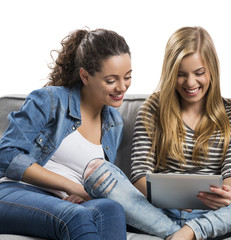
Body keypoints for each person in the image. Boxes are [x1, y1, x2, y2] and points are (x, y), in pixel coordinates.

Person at [82, 26, 231, 240]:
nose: (191, 83)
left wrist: (230, 194)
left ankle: (192, 232)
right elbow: (139, 174)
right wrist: (168, 199)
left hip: (214, 213)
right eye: (181, 75)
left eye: (199, 73)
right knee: (97, 171)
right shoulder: (153, 108)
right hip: (156, 212)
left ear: (211, 70)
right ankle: (184, 234)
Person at [0, 28, 132, 239]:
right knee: (76, 217)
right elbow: (6, 155)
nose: (122, 87)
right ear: (85, 76)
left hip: (62, 203)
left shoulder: (114, 124)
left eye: (127, 77)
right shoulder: (50, 101)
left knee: (111, 209)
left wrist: (80, 196)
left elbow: (98, 180)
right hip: (15, 192)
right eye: (111, 80)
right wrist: (72, 188)